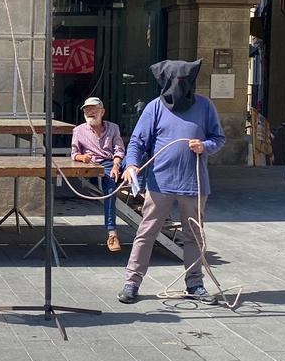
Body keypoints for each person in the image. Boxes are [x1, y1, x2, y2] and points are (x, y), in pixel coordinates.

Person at [118, 60, 225, 304]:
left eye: (184, 82)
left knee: (194, 236)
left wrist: (205, 146)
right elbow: (137, 142)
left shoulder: (205, 106)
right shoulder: (154, 107)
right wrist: (131, 164)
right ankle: (132, 283)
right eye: (176, 82)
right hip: (159, 184)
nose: (180, 86)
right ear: (166, 83)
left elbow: (218, 138)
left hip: (194, 184)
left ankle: (195, 284)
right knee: (146, 232)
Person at [71, 96, 126, 252]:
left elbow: (119, 149)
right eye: (87, 110)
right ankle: (112, 233)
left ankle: (142, 191)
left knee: (138, 158)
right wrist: (82, 157)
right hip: (94, 164)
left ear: (102, 112)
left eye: (93, 109)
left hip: (113, 161)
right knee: (110, 189)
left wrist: (116, 165)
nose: (90, 112)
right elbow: (74, 153)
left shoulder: (113, 128)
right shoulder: (78, 130)